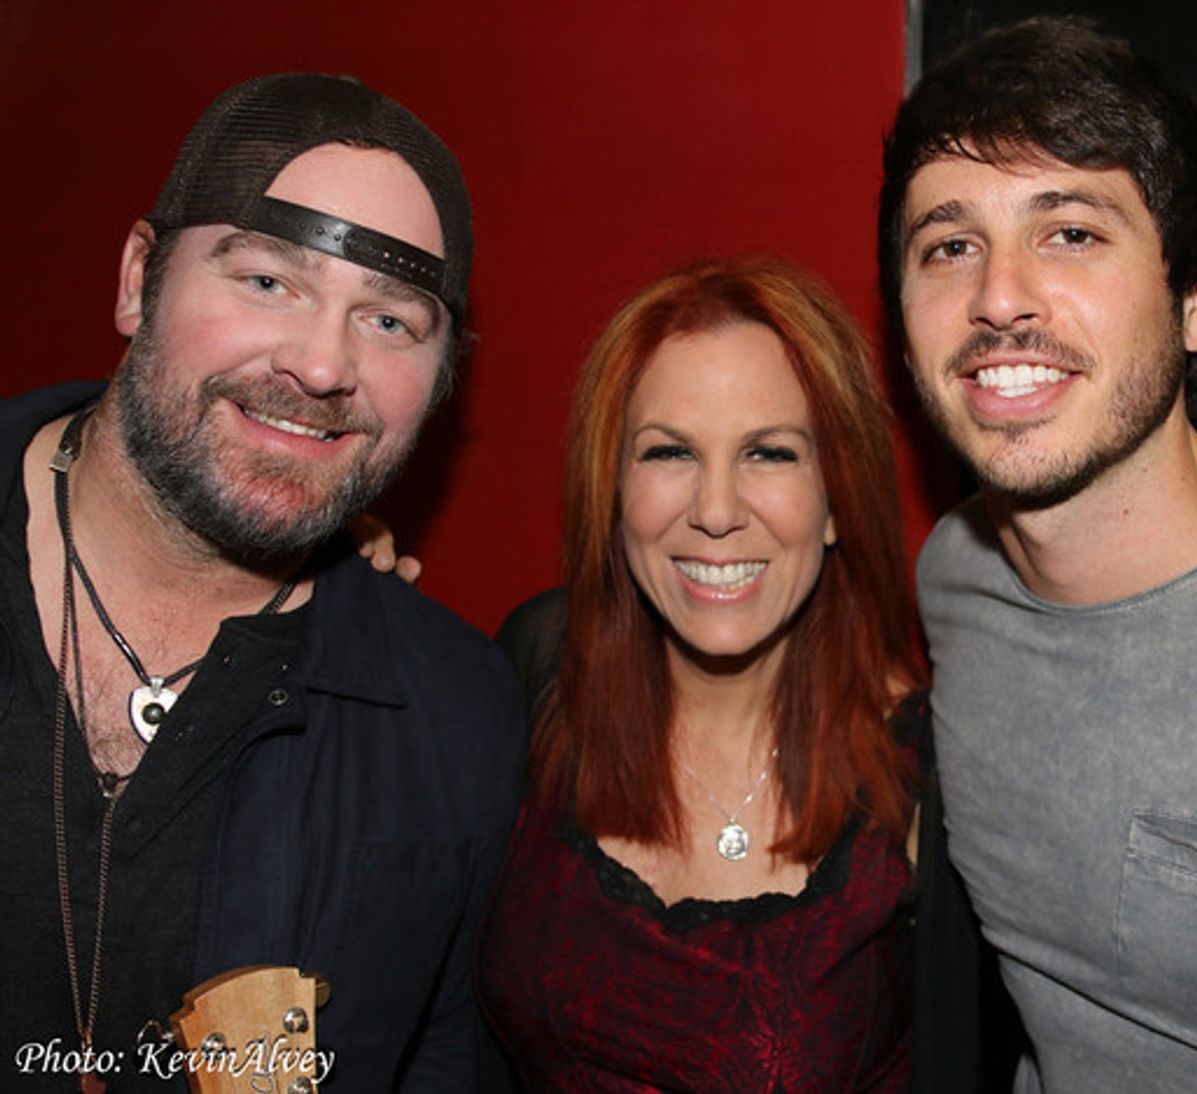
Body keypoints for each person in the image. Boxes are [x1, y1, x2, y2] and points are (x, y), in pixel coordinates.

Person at [878, 16, 1197, 1092]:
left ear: (1195, 300)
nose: (997, 294)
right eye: (947, 243)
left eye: (1067, 230)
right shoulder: (952, 578)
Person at [0, 74, 525, 1091]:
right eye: (268, 282)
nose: (322, 364)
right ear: (137, 277)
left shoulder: (457, 715)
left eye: (388, 321)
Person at [480, 258, 981, 1090]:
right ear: (612, 490)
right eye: (669, 451)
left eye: (769, 454)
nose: (715, 511)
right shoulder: (537, 664)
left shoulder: (927, 780)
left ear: (836, 500)